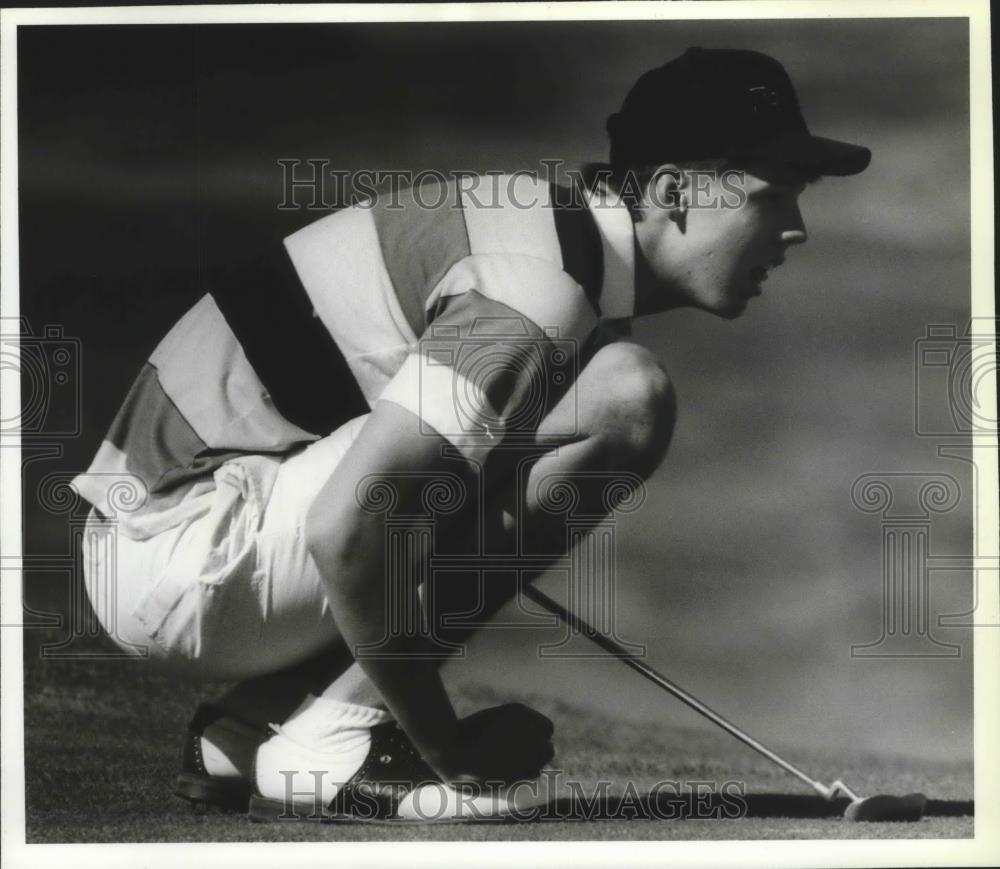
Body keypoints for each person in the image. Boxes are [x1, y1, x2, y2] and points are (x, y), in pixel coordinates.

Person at [72, 46, 870, 822]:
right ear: (672, 191)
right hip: (185, 554)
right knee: (628, 398)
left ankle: (253, 724)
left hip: (179, 545)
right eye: (775, 194)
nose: (796, 229)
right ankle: (337, 735)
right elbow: (347, 526)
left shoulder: (556, 244)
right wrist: (443, 744)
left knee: (564, 405)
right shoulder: (536, 292)